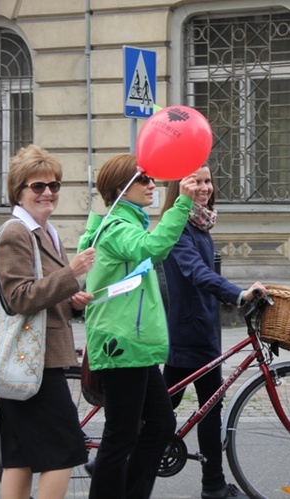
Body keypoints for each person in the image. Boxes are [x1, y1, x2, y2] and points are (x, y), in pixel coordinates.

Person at [78, 154, 198, 499]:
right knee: (121, 435)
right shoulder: (117, 230)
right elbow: (153, 248)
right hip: (121, 344)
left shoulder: (126, 224)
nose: (152, 185)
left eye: (151, 179)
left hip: (136, 345)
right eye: (143, 180)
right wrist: (181, 203)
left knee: (160, 425)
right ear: (121, 189)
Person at [0, 145, 95, 499]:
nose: (48, 192)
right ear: (19, 191)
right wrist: (72, 275)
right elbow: (18, 297)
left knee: (18, 457)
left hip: (37, 358)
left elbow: (46, 293)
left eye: (54, 185)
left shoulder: (44, 232)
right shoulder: (16, 232)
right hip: (33, 361)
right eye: (38, 186)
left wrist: (73, 301)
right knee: (64, 452)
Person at [161, 163, 264, 499]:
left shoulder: (200, 225)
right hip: (188, 331)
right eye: (196, 181)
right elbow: (195, 274)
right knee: (197, 407)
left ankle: (213, 484)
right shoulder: (179, 227)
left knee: (176, 406)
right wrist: (237, 293)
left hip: (200, 329)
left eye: (208, 181)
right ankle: (213, 485)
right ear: (180, 186)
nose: (205, 187)